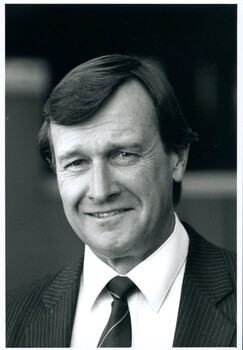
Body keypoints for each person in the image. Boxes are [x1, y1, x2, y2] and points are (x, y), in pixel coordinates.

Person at [6, 54, 236, 348]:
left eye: (123, 154)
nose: (100, 191)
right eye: (76, 162)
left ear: (177, 157)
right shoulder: (11, 320)